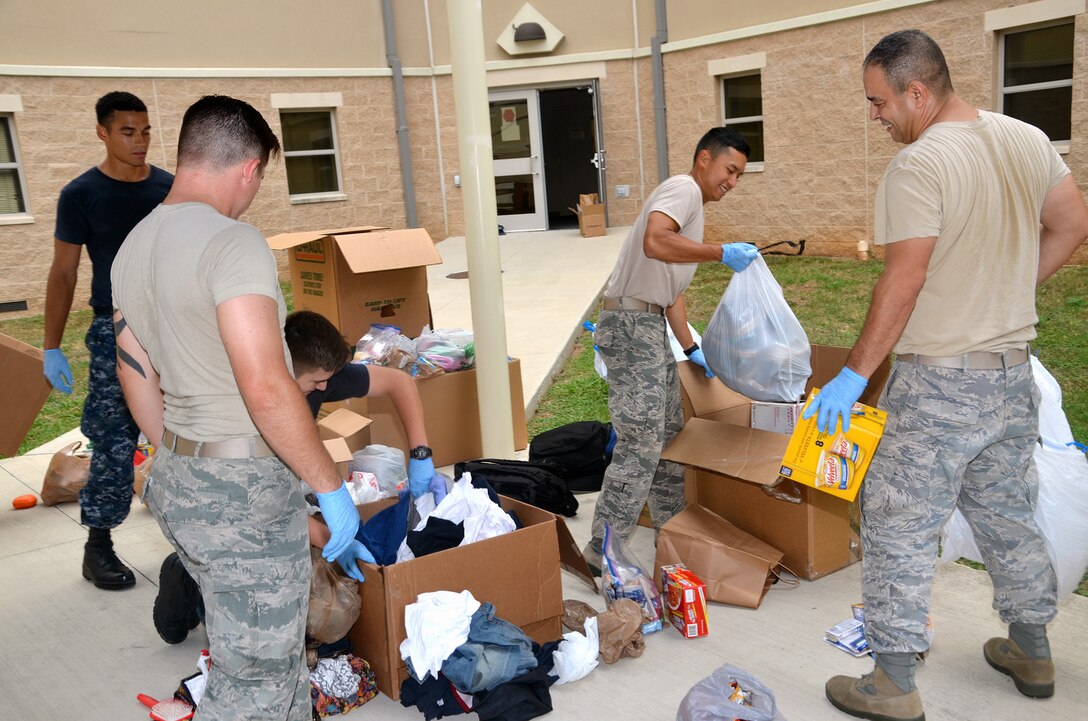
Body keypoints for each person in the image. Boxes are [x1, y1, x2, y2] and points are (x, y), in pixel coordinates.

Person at [804, 30, 1088, 721]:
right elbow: (1073, 222)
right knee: (1007, 514)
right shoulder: (1026, 138)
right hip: (1011, 375)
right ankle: (1031, 647)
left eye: (879, 103)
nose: (876, 117)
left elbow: (904, 280)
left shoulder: (919, 166)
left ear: (917, 92)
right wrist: (1009, 293)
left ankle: (893, 683)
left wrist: (853, 375)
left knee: (898, 522)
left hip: (938, 385)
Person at [111, 95, 359, 721]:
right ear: (249, 168)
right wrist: (329, 486)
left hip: (180, 479)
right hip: (242, 494)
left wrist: (180, 451)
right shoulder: (234, 242)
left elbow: (132, 370)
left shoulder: (132, 246)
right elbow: (267, 385)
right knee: (254, 683)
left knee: (271, 664)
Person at [153, 309, 436, 644]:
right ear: (284, 372)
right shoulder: (242, 409)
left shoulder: (319, 379)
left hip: (274, 488)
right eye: (316, 382)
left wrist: (421, 455)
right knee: (263, 623)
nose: (325, 388)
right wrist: (324, 535)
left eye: (328, 379)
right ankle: (187, 576)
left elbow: (399, 383)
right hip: (220, 502)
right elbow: (254, 499)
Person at [581, 126, 760, 571]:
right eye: (729, 170)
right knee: (642, 440)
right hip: (631, 324)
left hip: (649, 324)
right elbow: (656, 241)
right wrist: (719, 252)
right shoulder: (683, 188)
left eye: (739, 175)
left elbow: (670, 291)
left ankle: (672, 535)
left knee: (667, 436)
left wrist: (690, 346)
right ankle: (601, 550)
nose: (732, 182)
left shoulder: (691, 204)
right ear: (704, 158)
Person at [42, 91, 173, 590]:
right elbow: (64, 270)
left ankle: (194, 536)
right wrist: (51, 345)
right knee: (117, 442)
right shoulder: (81, 194)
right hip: (115, 330)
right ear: (102, 132)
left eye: (144, 132)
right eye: (126, 132)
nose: (139, 142)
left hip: (171, 328)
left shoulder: (170, 188)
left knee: (186, 434)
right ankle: (98, 547)